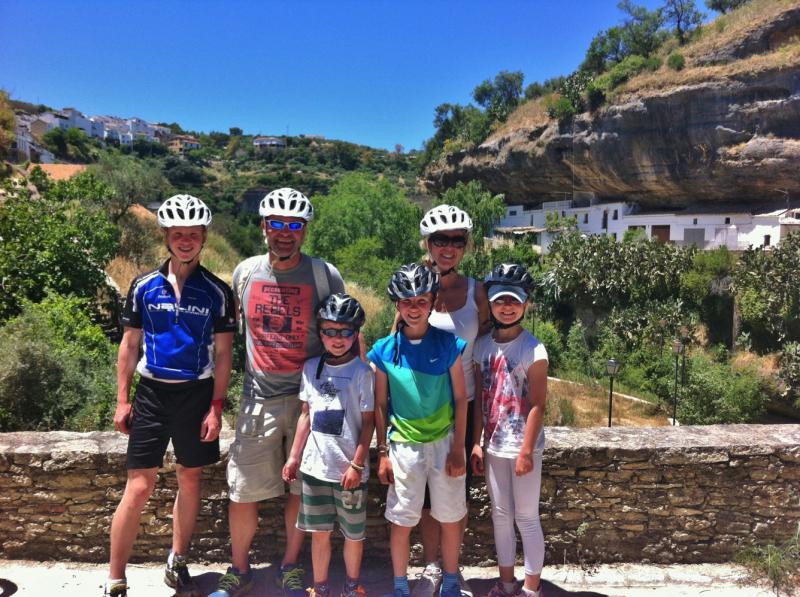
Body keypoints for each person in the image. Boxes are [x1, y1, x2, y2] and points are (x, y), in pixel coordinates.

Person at [211, 188, 345, 597]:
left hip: (310, 401)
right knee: (242, 491)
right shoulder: (245, 273)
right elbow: (230, 335)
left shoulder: (325, 274)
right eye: (277, 224)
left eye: (294, 225)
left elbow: (345, 336)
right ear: (263, 227)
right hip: (258, 400)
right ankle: (239, 569)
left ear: (304, 231)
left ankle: (289, 566)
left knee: (299, 492)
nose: (285, 233)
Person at [105, 195, 235, 597]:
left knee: (190, 479)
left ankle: (178, 561)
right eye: (177, 233)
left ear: (203, 237)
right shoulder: (143, 286)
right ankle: (115, 577)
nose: (185, 240)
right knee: (139, 486)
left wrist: (216, 408)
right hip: (152, 394)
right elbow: (129, 345)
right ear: (165, 236)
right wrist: (123, 399)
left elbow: (226, 353)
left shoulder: (217, 291)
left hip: (196, 394)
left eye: (192, 234)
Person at [369, 263, 468, 597]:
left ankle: (451, 580)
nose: (414, 308)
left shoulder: (448, 344)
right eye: (407, 301)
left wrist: (458, 449)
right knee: (401, 518)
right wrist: (382, 453)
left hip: (444, 442)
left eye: (422, 301)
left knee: (451, 515)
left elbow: (460, 398)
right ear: (396, 304)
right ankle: (400, 585)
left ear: (433, 302)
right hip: (403, 446)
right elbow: (380, 404)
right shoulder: (384, 350)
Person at [414, 205, 491, 597]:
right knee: (429, 499)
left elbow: (490, 345)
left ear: (466, 245)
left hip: (466, 409)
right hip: (424, 410)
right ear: (427, 244)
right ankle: (431, 566)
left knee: (455, 498)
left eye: (456, 241)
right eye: (440, 240)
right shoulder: (415, 287)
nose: (448, 248)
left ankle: (452, 570)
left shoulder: (477, 291)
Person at [282, 293, 375, 597]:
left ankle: (351, 584)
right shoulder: (310, 367)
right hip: (315, 469)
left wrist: (358, 465)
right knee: (319, 533)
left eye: (345, 332)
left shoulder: (363, 372)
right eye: (330, 331)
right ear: (320, 332)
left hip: (349, 470)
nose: (338, 339)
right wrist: (294, 457)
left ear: (355, 334)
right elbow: (306, 416)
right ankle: (320, 586)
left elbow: (368, 423)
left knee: (353, 534)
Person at [470, 264, 548, 597]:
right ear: (490, 303)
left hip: (521, 446)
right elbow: (479, 399)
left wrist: (527, 451)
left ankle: (531, 588)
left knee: (527, 517)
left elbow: (537, 404)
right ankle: (506, 583)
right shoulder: (481, 346)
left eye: (514, 300)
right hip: (493, 445)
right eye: (500, 300)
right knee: (501, 516)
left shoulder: (534, 350)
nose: (506, 307)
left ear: (525, 304)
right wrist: (475, 443)